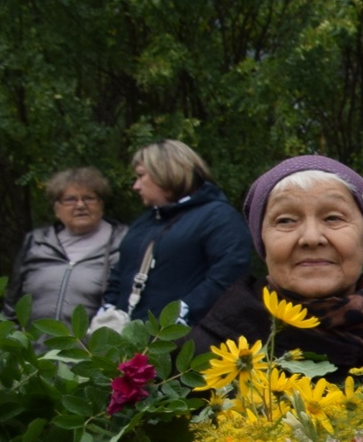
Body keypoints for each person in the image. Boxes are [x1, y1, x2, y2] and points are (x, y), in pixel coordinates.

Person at [189, 156, 363, 379]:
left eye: (333, 218)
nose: (311, 238)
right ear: (263, 245)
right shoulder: (204, 357)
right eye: (286, 221)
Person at [98, 141, 256, 329]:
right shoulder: (144, 223)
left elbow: (230, 275)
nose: (136, 186)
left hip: (187, 343)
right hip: (130, 342)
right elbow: (121, 272)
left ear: (166, 172)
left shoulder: (219, 217)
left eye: (141, 176)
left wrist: (183, 312)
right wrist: (110, 309)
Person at [8, 168, 126, 320]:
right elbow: (12, 304)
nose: (80, 205)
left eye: (89, 198)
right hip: (36, 343)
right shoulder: (36, 242)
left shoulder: (124, 242)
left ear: (101, 204)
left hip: (96, 343)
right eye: (70, 199)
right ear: (56, 208)